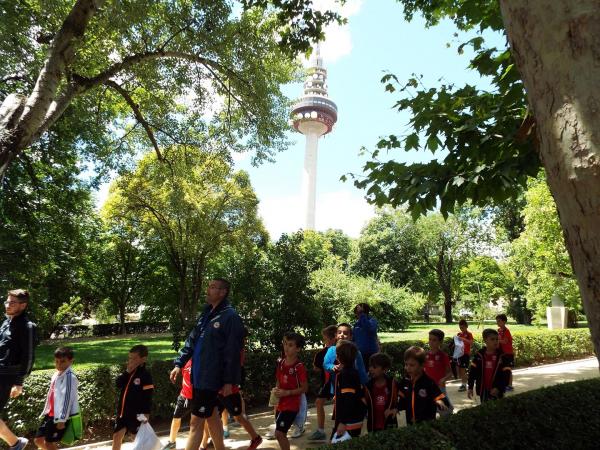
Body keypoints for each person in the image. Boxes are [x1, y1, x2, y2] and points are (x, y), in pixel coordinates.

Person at [170, 278, 245, 450]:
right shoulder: (206, 313)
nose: (208, 290)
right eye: (209, 286)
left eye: (212, 287)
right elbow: (192, 340)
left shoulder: (230, 317)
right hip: (199, 377)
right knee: (212, 418)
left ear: (222, 292)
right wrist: (179, 364)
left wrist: (228, 381)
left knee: (196, 423)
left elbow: (233, 352)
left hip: (211, 378)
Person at [0, 289, 37, 450]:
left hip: (7, 376)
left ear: (23, 305)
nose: (8, 305)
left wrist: (19, 382)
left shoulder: (27, 326)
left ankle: (15, 443)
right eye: (7, 301)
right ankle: (16, 443)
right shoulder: (6, 322)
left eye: (12, 303)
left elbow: (28, 356)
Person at [34, 347, 79, 450]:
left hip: (59, 417)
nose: (59, 364)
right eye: (57, 361)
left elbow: (67, 400)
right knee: (38, 440)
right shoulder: (56, 375)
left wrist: (62, 420)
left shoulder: (70, 377)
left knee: (49, 443)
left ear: (71, 361)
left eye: (63, 361)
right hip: (50, 414)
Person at [112, 344, 154, 450]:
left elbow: (148, 397)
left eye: (134, 358)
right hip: (122, 413)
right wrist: (127, 372)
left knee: (136, 439)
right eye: (129, 358)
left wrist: (146, 414)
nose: (131, 361)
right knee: (117, 436)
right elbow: (118, 384)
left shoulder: (145, 375)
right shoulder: (128, 373)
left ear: (143, 359)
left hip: (136, 414)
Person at [273, 332, 308, 450]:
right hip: (280, 404)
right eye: (285, 344)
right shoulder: (281, 362)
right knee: (280, 434)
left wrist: (287, 393)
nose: (286, 347)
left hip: (291, 405)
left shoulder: (299, 367)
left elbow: (304, 388)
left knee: (279, 433)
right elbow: (278, 381)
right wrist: (275, 394)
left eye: (291, 345)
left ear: (298, 348)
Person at [398, 346, 448, 424]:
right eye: (406, 364)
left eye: (412, 365)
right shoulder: (404, 381)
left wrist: (440, 401)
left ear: (422, 365)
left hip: (426, 425)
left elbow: (440, 397)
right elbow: (401, 400)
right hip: (409, 425)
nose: (407, 368)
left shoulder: (429, 382)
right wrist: (396, 409)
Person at [331, 340, 366, 441]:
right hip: (351, 418)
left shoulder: (346, 374)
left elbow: (349, 398)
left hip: (349, 421)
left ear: (338, 356)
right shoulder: (351, 371)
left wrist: (342, 422)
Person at [308, 325, 337, 441]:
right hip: (329, 382)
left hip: (333, 382)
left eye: (324, 338)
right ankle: (321, 430)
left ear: (331, 339)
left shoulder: (323, 353)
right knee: (320, 402)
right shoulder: (342, 350)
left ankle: (338, 429)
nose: (324, 341)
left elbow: (316, 368)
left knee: (323, 402)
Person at [323, 323, 369, 395]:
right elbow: (326, 364)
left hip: (353, 386)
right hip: (337, 387)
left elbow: (361, 370)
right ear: (336, 335)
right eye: (339, 332)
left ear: (351, 337)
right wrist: (332, 367)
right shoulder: (331, 350)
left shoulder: (356, 352)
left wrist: (366, 385)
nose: (341, 335)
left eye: (345, 333)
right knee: (339, 405)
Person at [468, 329, 512, 402]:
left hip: (497, 391)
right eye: (492, 339)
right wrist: (470, 387)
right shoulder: (479, 355)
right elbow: (472, 372)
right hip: (483, 390)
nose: (495, 341)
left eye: (497, 339)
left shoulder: (502, 356)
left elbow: (507, 374)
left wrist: (499, 388)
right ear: (485, 340)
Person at [162, 359, 193, 450]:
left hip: (197, 397)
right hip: (184, 396)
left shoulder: (201, 360)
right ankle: (172, 442)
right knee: (176, 418)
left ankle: (203, 444)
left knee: (198, 422)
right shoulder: (185, 361)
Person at [365, 353, 398, 433]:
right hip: (373, 426)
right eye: (370, 366)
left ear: (385, 369)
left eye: (374, 367)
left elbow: (401, 400)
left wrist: (396, 409)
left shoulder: (392, 384)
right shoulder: (368, 386)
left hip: (390, 426)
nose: (370, 369)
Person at [424, 329, 453, 415]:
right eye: (430, 339)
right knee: (429, 412)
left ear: (440, 342)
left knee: (446, 411)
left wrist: (443, 379)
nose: (431, 342)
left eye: (434, 340)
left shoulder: (443, 356)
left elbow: (450, 373)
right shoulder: (425, 355)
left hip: (440, 389)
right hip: (427, 388)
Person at [352, 303, 379, 368]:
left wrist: (362, 314)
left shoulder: (372, 321)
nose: (357, 316)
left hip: (371, 354)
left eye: (358, 313)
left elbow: (369, 329)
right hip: (359, 355)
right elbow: (354, 338)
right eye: (357, 313)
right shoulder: (356, 324)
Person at [496, 314, 515, 391]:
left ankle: (510, 385)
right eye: (497, 321)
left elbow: (505, 341)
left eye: (499, 321)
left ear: (504, 322)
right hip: (502, 354)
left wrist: (496, 340)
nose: (497, 322)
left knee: (508, 369)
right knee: (502, 370)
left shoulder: (506, 331)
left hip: (508, 353)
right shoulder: (498, 331)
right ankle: (504, 384)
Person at [456, 320, 474, 392]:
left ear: (466, 326)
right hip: (459, 354)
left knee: (463, 370)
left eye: (463, 327)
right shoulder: (459, 334)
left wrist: (462, 339)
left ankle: (464, 385)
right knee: (461, 370)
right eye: (460, 327)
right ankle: (464, 383)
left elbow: (471, 342)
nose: (461, 329)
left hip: (465, 354)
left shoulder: (469, 334)